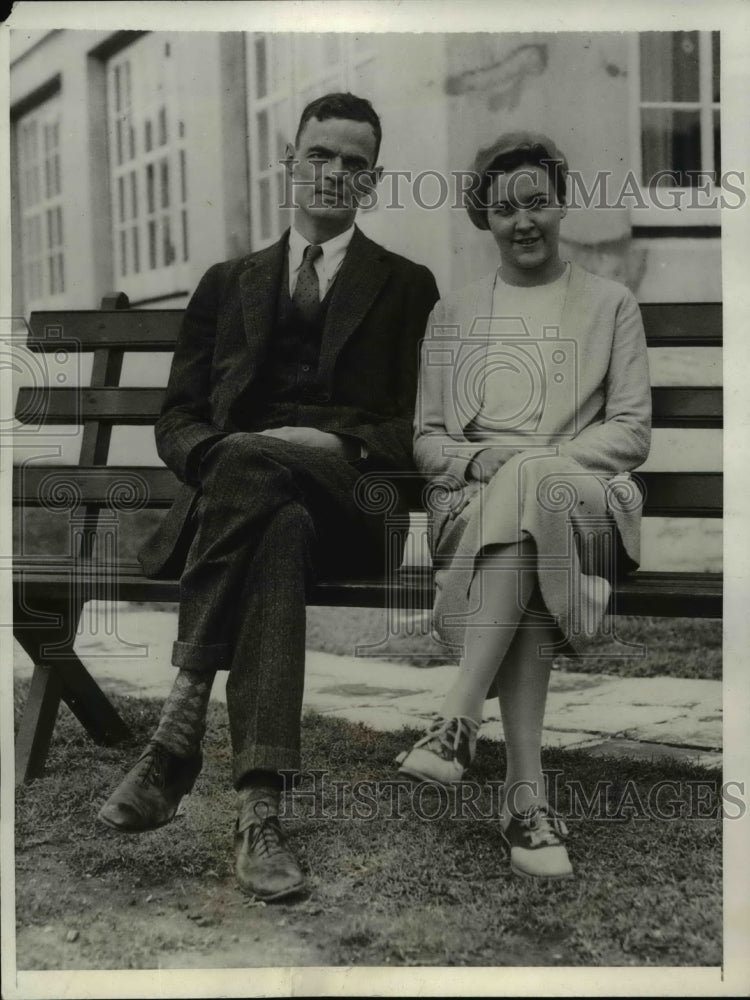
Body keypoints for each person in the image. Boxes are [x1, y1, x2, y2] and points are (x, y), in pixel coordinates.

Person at [98, 92, 439, 901]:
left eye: (354, 163)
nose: (334, 174)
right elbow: (177, 420)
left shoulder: (406, 286)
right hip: (252, 509)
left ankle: (177, 729)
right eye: (320, 154)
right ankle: (260, 813)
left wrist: (336, 445)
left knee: (261, 471)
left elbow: (417, 428)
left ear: (373, 181)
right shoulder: (227, 284)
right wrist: (232, 456)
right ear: (290, 162)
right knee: (274, 525)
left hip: (351, 503)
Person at [396, 132, 651, 879]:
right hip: (477, 505)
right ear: (485, 220)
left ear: (562, 202)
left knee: (536, 493)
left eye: (537, 200)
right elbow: (428, 438)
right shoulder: (455, 314)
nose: (524, 220)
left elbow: (631, 430)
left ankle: (458, 716)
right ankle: (524, 797)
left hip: (583, 498)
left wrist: (540, 464)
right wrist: (483, 460)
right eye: (504, 208)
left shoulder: (612, 304)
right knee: (523, 530)